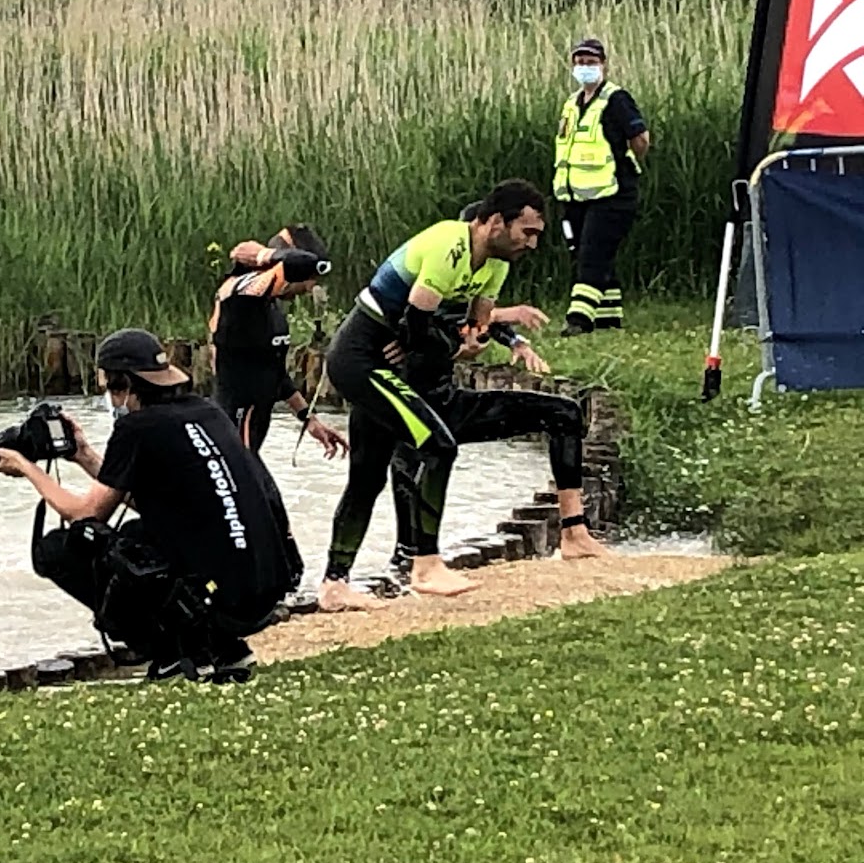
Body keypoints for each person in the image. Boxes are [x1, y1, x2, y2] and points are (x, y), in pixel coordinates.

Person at [317, 181, 607, 613]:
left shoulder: (496, 265)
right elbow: (418, 329)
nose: (532, 243)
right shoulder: (448, 244)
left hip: (403, 370)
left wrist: (462, 341)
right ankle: (425, 564)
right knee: (435, 447)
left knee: (367, 477)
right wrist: (441, 342)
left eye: (537, 234)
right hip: (361, 360)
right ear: (494, 222)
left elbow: (474, 330)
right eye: (526, 232)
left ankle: (334, 585)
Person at [0, 329, 302, 682]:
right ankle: (224, 649)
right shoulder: (207, 412)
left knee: (63, 548)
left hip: (223, 599)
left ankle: (172, 654)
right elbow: (166, 504)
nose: (109, 397)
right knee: (140, 532)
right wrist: (84, 455)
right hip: (259, 589)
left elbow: (85, 514)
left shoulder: (137, 427)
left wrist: (27, 468)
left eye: (108, 387)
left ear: (124, 386)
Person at [210, 225, 346, 458]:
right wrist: (264, 255)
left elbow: (275, 374)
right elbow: (301, 262)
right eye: (310, 279)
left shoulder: (271, 308)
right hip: (232, 429)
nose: (310, 287)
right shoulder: (239, 293)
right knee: (258, 494)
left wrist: (308, 419)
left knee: (267, 495)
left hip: (254, 431)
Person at [554, 37, 649, 334]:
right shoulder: (572, 103)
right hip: (576, 194)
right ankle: (607, 319)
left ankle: (578, 320)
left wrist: (627, 161)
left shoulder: (616, 99)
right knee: (585, 252)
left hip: (612, 192)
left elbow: (641, 139)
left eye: (591, 62)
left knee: (592, 255)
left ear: (604, 65)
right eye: (580, 62)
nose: (585, 68)